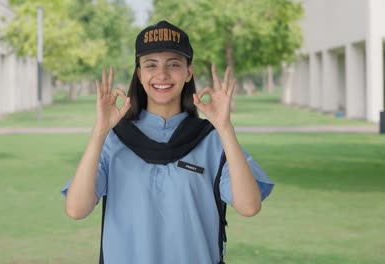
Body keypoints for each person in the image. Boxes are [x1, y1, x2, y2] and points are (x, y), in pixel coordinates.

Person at [61, 20, 274, 264]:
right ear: (140, 74)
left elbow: (249, 206)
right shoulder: (113, 141)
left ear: (188, 72)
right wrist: (99, 131)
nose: (162, 74)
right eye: (151, 65)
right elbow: (76, 209)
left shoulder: (213, 141)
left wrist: (225, 128)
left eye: (173, 64)